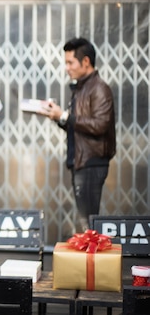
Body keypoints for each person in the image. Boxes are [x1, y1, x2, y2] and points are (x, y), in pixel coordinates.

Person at [40, 37, 116, 232]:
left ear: (85, 62)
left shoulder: (99, 88)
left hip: (91, 162)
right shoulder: (81, 89)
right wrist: (58, 117)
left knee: (88, 222)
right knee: (87, 221)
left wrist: (65, 115)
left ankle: (91, 261)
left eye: (70, 62)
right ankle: (89, 260)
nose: (67, 68)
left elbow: (99, 126)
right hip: (80, 161)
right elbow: (77, 126)